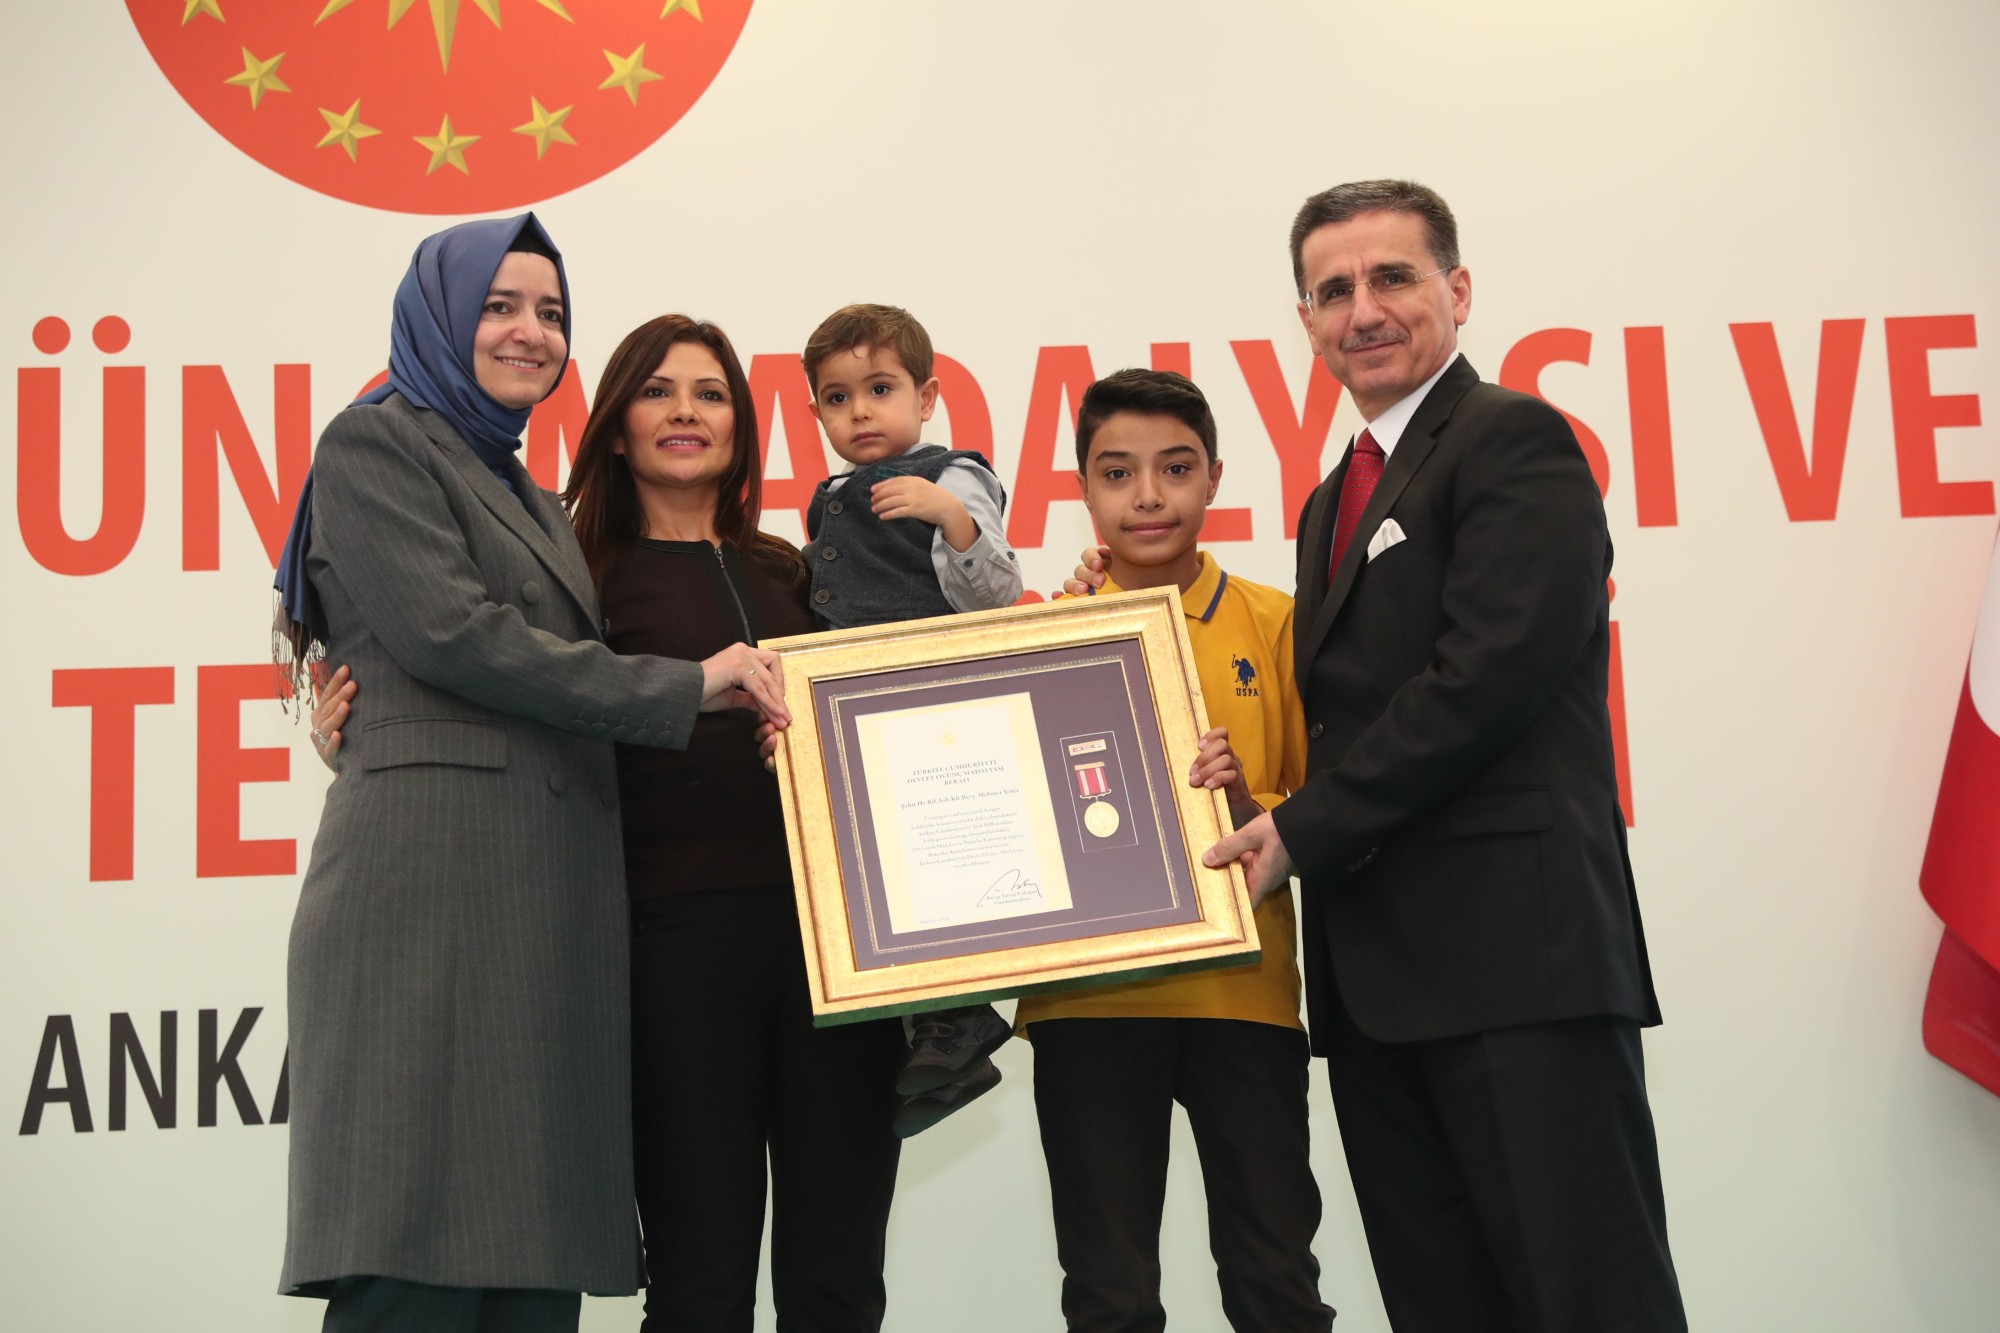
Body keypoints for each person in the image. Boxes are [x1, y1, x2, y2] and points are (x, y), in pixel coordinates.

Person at [1076, 180, 1684, 1330]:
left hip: (1514, 966)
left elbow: (1485, 675)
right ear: (1304, 321)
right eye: (1331, 290)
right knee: (1440, 1304)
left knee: (1584, 1299)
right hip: (1376, 989)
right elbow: (1347, 727)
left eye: (1390, 277)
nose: (1361, 309)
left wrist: (1295, 830)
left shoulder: (1510, 438)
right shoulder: (1328, 503)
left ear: (1457, 290)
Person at [272, 217, 786, 1333]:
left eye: (551, 313)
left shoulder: (522, 491)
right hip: (431, 904)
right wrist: (688, 686)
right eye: (499, 305)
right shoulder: (374, 443)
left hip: (548, 921)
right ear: (439, 316)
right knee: (409, 1258)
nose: (530, 332)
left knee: (527, 1271)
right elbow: (451, 633)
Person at [564, 315, 905, 1331]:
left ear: (741, 425)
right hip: (673, 950)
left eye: (709, 393)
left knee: (839, 1284)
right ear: (615, 426)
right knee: (700, 1286)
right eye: (658, 391)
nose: (685, 411)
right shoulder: (578, 575)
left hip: (836, 951)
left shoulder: (795, 571)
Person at [1017, 369, 1335, 1333]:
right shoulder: (1039, 634)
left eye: (1176, 468)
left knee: (1275, 1278)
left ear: (1215, 479)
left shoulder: (1275, 621)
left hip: (1244, 992)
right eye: (1118, 472)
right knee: (1108, 1294)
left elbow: (1330, 802)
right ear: (1082, 488)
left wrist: (1244, 800)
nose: (1148, 495)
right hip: (1087, 996)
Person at [799, 302, 1025, 1135]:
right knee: (872, 873)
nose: (860, 411)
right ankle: (936, 1032)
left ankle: (957, 1019)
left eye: (881, 389)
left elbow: (997, 589)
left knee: (928, 864)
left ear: (926, 397)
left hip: (928, 706)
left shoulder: (953, 477)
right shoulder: (829, 497)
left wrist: (947, 515)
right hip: (853, 711)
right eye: (837, 398)